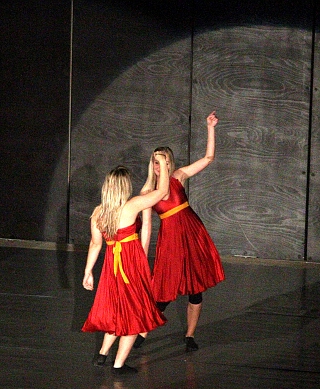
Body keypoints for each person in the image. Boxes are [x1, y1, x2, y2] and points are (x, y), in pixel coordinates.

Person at [135, 111, 225, 352]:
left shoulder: (179, 176)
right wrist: (142, 255)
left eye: (162, 161)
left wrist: (210, 128)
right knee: (163, 292)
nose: (158, 166)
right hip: (171, 240)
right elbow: (147, 227)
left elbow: (208, 157)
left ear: (169, 164)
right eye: (155, 162)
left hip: (192, 233)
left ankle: (190, 335)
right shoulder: (147, 193)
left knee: (196, 289)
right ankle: (141, 333)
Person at [81, 159, 170, 374]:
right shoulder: (132, 206)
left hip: (111, 267)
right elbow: (162, 192)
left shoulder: (98, 212)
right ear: (125, 187)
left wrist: (88, 272)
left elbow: (95, 244)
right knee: (134, 314)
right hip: (130, 267)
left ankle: (103, 354)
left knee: (117, 309)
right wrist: (162, 163)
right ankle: (118, 364)